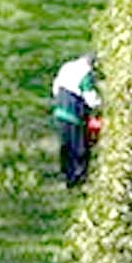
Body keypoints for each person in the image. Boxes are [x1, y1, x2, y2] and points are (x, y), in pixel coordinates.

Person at [51, 51, 101, 188]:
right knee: (79, 148)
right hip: (73, 115)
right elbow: (91, 98)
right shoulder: (85, 73)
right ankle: (78, 179)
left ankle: (67, 176)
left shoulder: (67, 67)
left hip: (60, 111)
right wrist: (101, 105)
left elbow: (55, 88)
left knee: (66, 145)